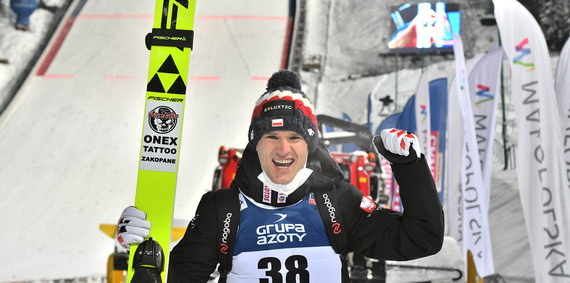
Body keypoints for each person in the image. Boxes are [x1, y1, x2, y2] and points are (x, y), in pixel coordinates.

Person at [117, 70, 444, 282]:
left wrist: (409, 167)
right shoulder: (223, 209)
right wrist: (137, 254)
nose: (283, 150)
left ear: (311, 145)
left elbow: (421, 239)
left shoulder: (337, 202)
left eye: (295, 138)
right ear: (255, 144)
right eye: (271, 137)